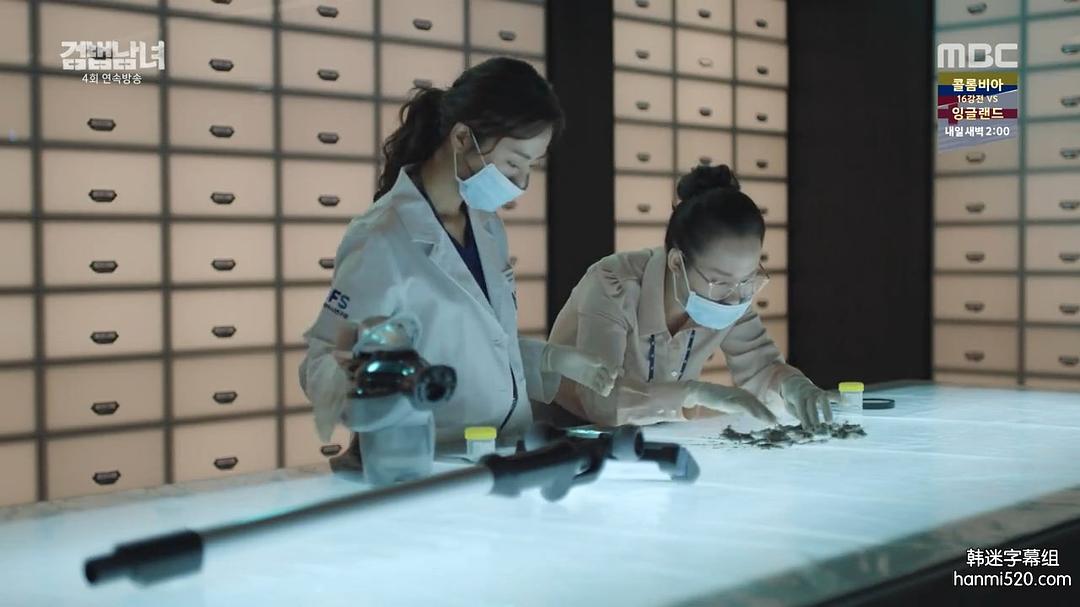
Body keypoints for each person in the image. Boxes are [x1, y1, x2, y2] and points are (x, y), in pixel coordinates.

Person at [299, 58, 618, 448]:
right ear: (463, 138)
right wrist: (386, 394)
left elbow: (478, 347)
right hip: (432, 460)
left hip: (503, 449)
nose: (521, 183)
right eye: (513, 163)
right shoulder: (382, 237)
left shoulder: (485, 225)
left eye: (531, 166)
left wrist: (552, 360)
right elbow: (323, 364)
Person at [545, 164, 833, 430]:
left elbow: (762, 367)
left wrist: (792, 384)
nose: (735, 298)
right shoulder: (613, 283)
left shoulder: (733, 295)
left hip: (657, 432)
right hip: (571, 429)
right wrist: (694, 393)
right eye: (719, 281)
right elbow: (600, 402)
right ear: (676, 263)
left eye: (747, 279)